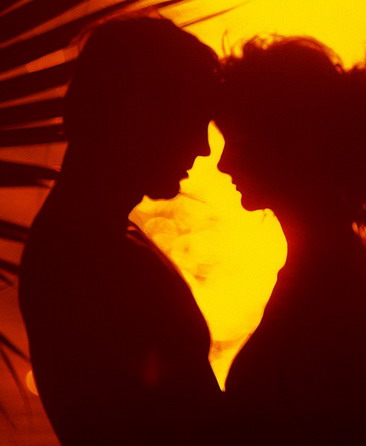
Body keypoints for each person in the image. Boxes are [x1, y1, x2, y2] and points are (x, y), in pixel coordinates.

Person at [19, 16, 223, 445]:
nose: (203, 148)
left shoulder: (89, 239)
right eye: (193, 121)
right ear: (136, 114)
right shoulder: (86, 259)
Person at [216, 36, 366, 445]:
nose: (223, 163)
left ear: (291, 144)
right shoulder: (324, 274)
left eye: (238, 142)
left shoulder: (341, 289)